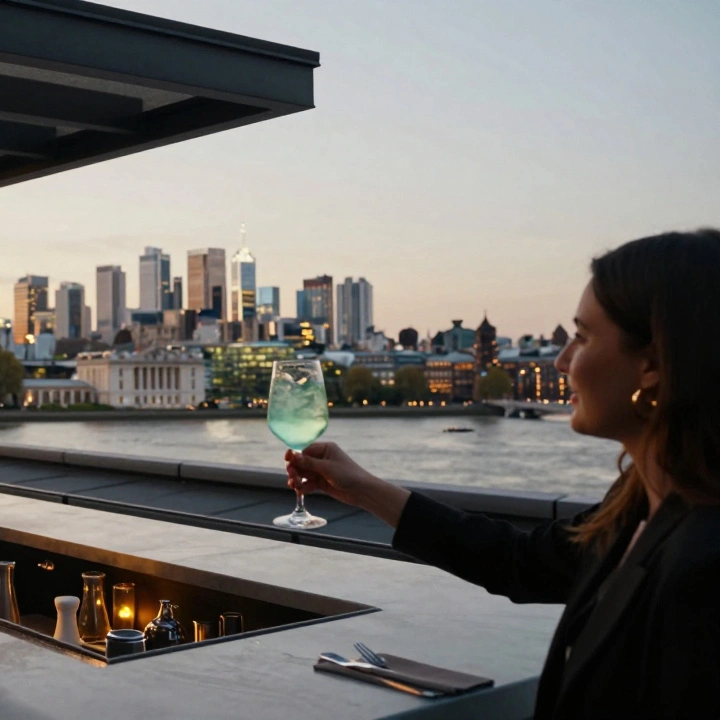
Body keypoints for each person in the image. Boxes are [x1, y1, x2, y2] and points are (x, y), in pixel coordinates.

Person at [285, 229, 720, 719]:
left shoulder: (703, 568)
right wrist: (364, 489)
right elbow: (519, 561)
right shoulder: (641, 500)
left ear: (653, 364)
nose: (561, 361)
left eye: (583, 337)